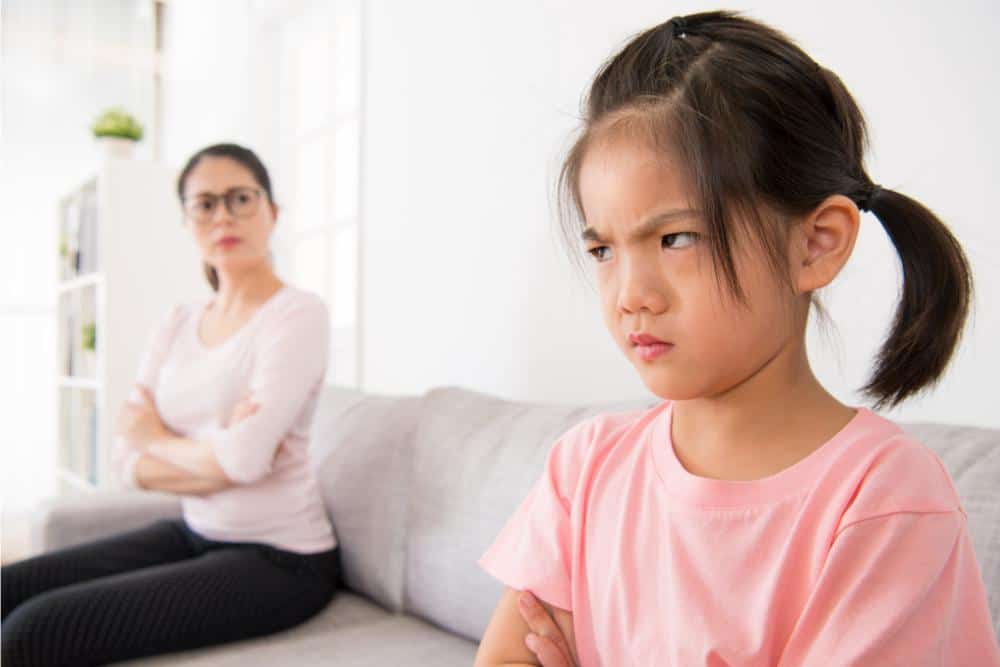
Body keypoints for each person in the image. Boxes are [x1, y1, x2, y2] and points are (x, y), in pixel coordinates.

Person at [474, 11, 1000, 666]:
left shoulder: (884, 499)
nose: (631, 292)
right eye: (604, 248)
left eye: (676, 239)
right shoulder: (584, 470)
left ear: (815, 244)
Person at [2, 144, 340, 666]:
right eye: (204, 204)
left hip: (283, 559)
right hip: (195, 530)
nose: (223, 214)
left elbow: (240, 459)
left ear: (272, 212)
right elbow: (126, 463)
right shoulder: (177, 322)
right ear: (187, 222)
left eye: (241, 198)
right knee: (8, 588)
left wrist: (156, 439)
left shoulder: (296, 315)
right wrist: (217, 457)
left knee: (32, 631)